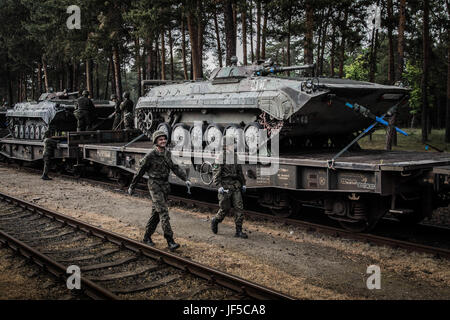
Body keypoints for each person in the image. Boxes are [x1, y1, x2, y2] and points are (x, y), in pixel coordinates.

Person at [128, 130, 192, 251]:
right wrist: (132, 186)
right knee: (163, 212)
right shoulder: (150, 155)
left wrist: (185, 179)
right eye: (160, 139)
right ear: (156, 142)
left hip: (165, 186)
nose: (163, 141)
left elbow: (175, 168)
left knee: (156, 214)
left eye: (164, 139)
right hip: (154, 185)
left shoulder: (167, 154)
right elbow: (140, 172)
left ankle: (147, 237)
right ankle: (170, 241)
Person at [211, 137, 248, 239]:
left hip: (235, 185)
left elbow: (239, 171)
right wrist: (219, 186)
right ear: (225, 146)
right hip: (225, 186)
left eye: (233, 144)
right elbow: (216, 174)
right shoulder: (220, 157)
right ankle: (215, 220)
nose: (233, 146)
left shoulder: (235, 156)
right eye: (231, 144)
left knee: (239, 208)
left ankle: (239, 231)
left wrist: (243, 183)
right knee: (225, 208)